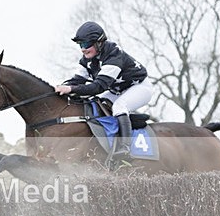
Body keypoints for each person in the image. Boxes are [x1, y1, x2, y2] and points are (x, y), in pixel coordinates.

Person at [54, 21, 153, 159]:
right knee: (97, 103)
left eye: (86, 44)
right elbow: (77, 80)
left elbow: (98, 87)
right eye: (80, 45)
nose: (83, 49)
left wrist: (70, 88)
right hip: (117, 90)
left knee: (120, 106)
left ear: (99, 43)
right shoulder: (86, 60)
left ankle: (125, 148)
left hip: (139, 88)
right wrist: (58, 88)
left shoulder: (113, 54)